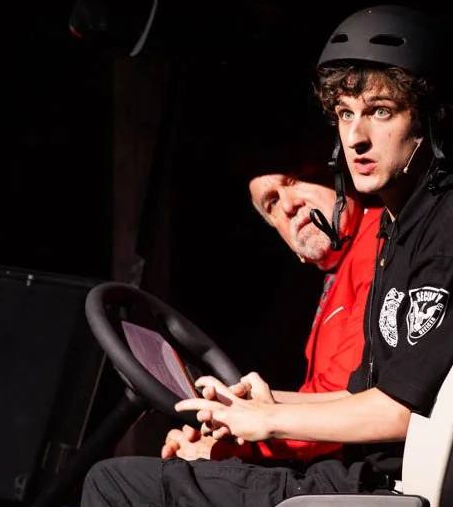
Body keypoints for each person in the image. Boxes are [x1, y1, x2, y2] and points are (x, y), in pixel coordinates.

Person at [49, 5, 453, 507]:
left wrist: (267, 421)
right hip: (368, 495)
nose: (357, 137)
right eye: (345, 115)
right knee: (151, 494)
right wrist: (259, 404)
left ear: (425, 116)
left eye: (381, 112)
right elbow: (366, 392)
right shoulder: (403, 225)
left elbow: (397, 411)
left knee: (115, 492)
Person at [161, 165, 381, 465]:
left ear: (341, 174)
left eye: (297, 180)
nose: (289, 205)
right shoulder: (339, 271)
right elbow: (321, 399)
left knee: (114, 479)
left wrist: (233, 449)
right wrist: (228, 426)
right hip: (332, 467)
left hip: (358, 476)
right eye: (273, 202)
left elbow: (349, 401)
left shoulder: (378, 243)